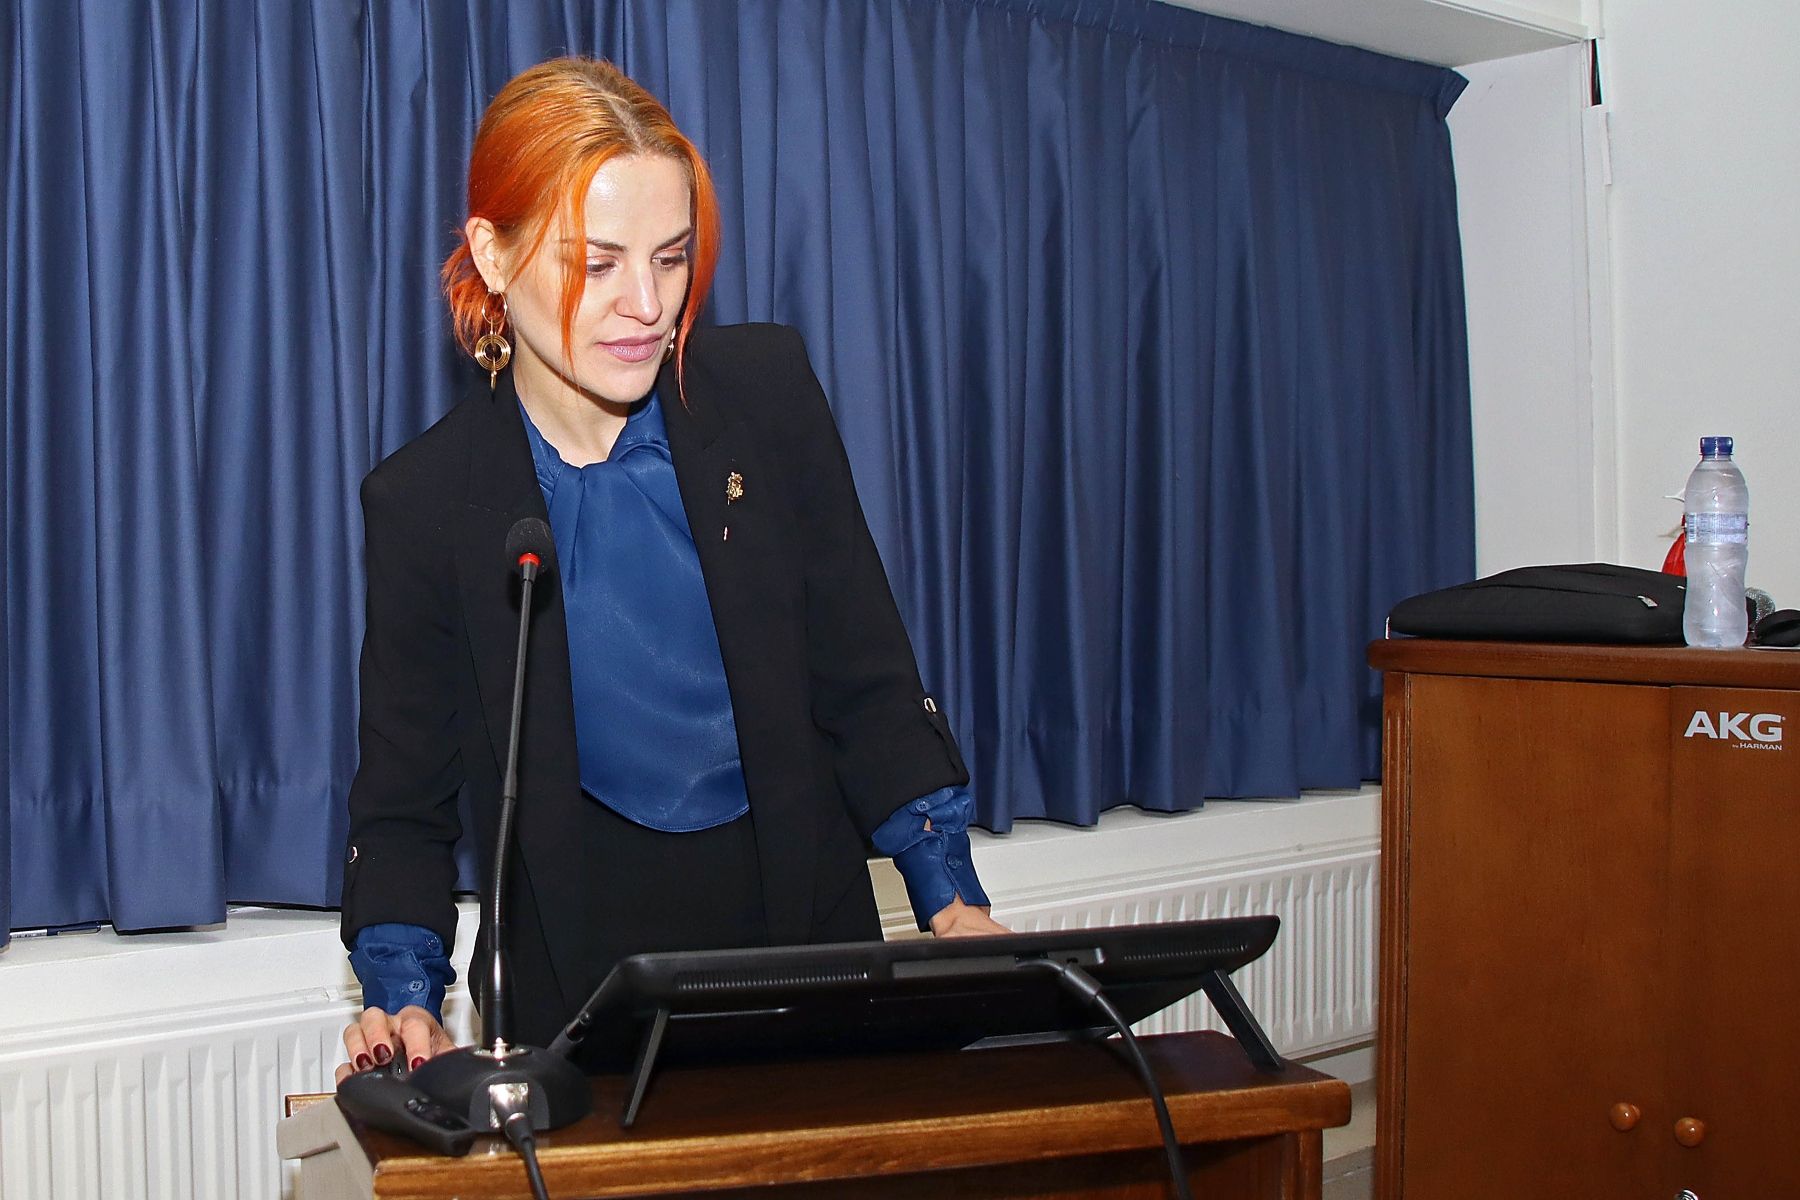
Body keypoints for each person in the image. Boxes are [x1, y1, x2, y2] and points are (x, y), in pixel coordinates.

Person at [336, 57, 1004, 1082]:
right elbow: (403, 807)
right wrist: (403, 1000)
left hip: (808, 933)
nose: (646, 305)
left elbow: (865, 677)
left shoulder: (767, 398)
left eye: (672, 258)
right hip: (581, 989)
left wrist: (953, 902)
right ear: (495, 255)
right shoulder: (426, 504)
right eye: (596, 263)